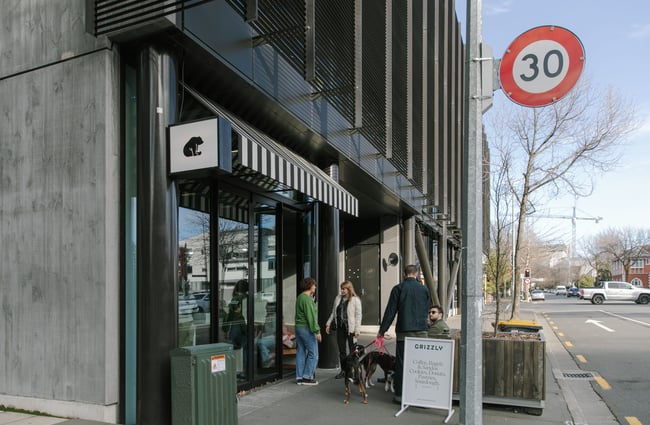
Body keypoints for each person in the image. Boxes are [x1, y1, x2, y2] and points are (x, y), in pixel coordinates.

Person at [377, 264, 431, 403]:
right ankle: (420, 394)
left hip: (404, 332)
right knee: (421, 364)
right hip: (421, 331)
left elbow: (390, 311)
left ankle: (400, 394)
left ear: (403, 274)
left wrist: (382, 331)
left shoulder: (398, 289)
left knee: (402, 363)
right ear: (417, 273)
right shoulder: (424, 289)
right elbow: (427, 310)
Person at [325, 280, 363, 379]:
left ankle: (354, 371)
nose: (341, 291)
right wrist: (328, 324)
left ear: (349, 289)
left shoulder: (355, 300)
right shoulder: (338, 298)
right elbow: (333, 313)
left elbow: (358, 316)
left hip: (351, 329)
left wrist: (357, 330)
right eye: (341, 289)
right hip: (340, 328)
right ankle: (344, 371)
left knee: (353, 351)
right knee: (342, 351)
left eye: (343, 289)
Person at [294, 277, 321, 386]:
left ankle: (299, 377)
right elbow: (311, 317)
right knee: (313, 353)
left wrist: (312, 302)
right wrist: (317, 331)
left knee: (300, 352)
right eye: (314, 285)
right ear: (309, 285)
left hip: (299, 328)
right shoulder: (307, 299)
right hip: (306, 328)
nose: (315, 287)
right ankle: (307, 377)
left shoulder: (300, 297)